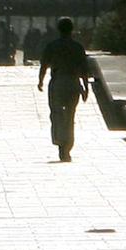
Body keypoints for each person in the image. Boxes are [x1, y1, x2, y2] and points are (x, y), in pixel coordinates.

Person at [37, 16, 90, 162]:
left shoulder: (52, 46)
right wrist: (85, 87)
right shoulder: (78, 47)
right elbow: (84, 69)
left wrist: (40, 81)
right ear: (72, 29)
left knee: (57, 114)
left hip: (58, 82)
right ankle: (68, 146)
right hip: (73, 82)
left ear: (58, 29)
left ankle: (61, 144)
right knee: (70, 116)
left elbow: (44, 65)